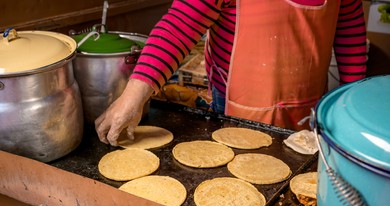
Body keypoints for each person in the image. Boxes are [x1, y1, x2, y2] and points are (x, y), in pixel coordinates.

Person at [95, 0, 367, 146]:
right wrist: (134, 93)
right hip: (238, 103)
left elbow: (350, 31)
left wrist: (354, 101)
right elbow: (180, 25)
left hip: (308, 102)